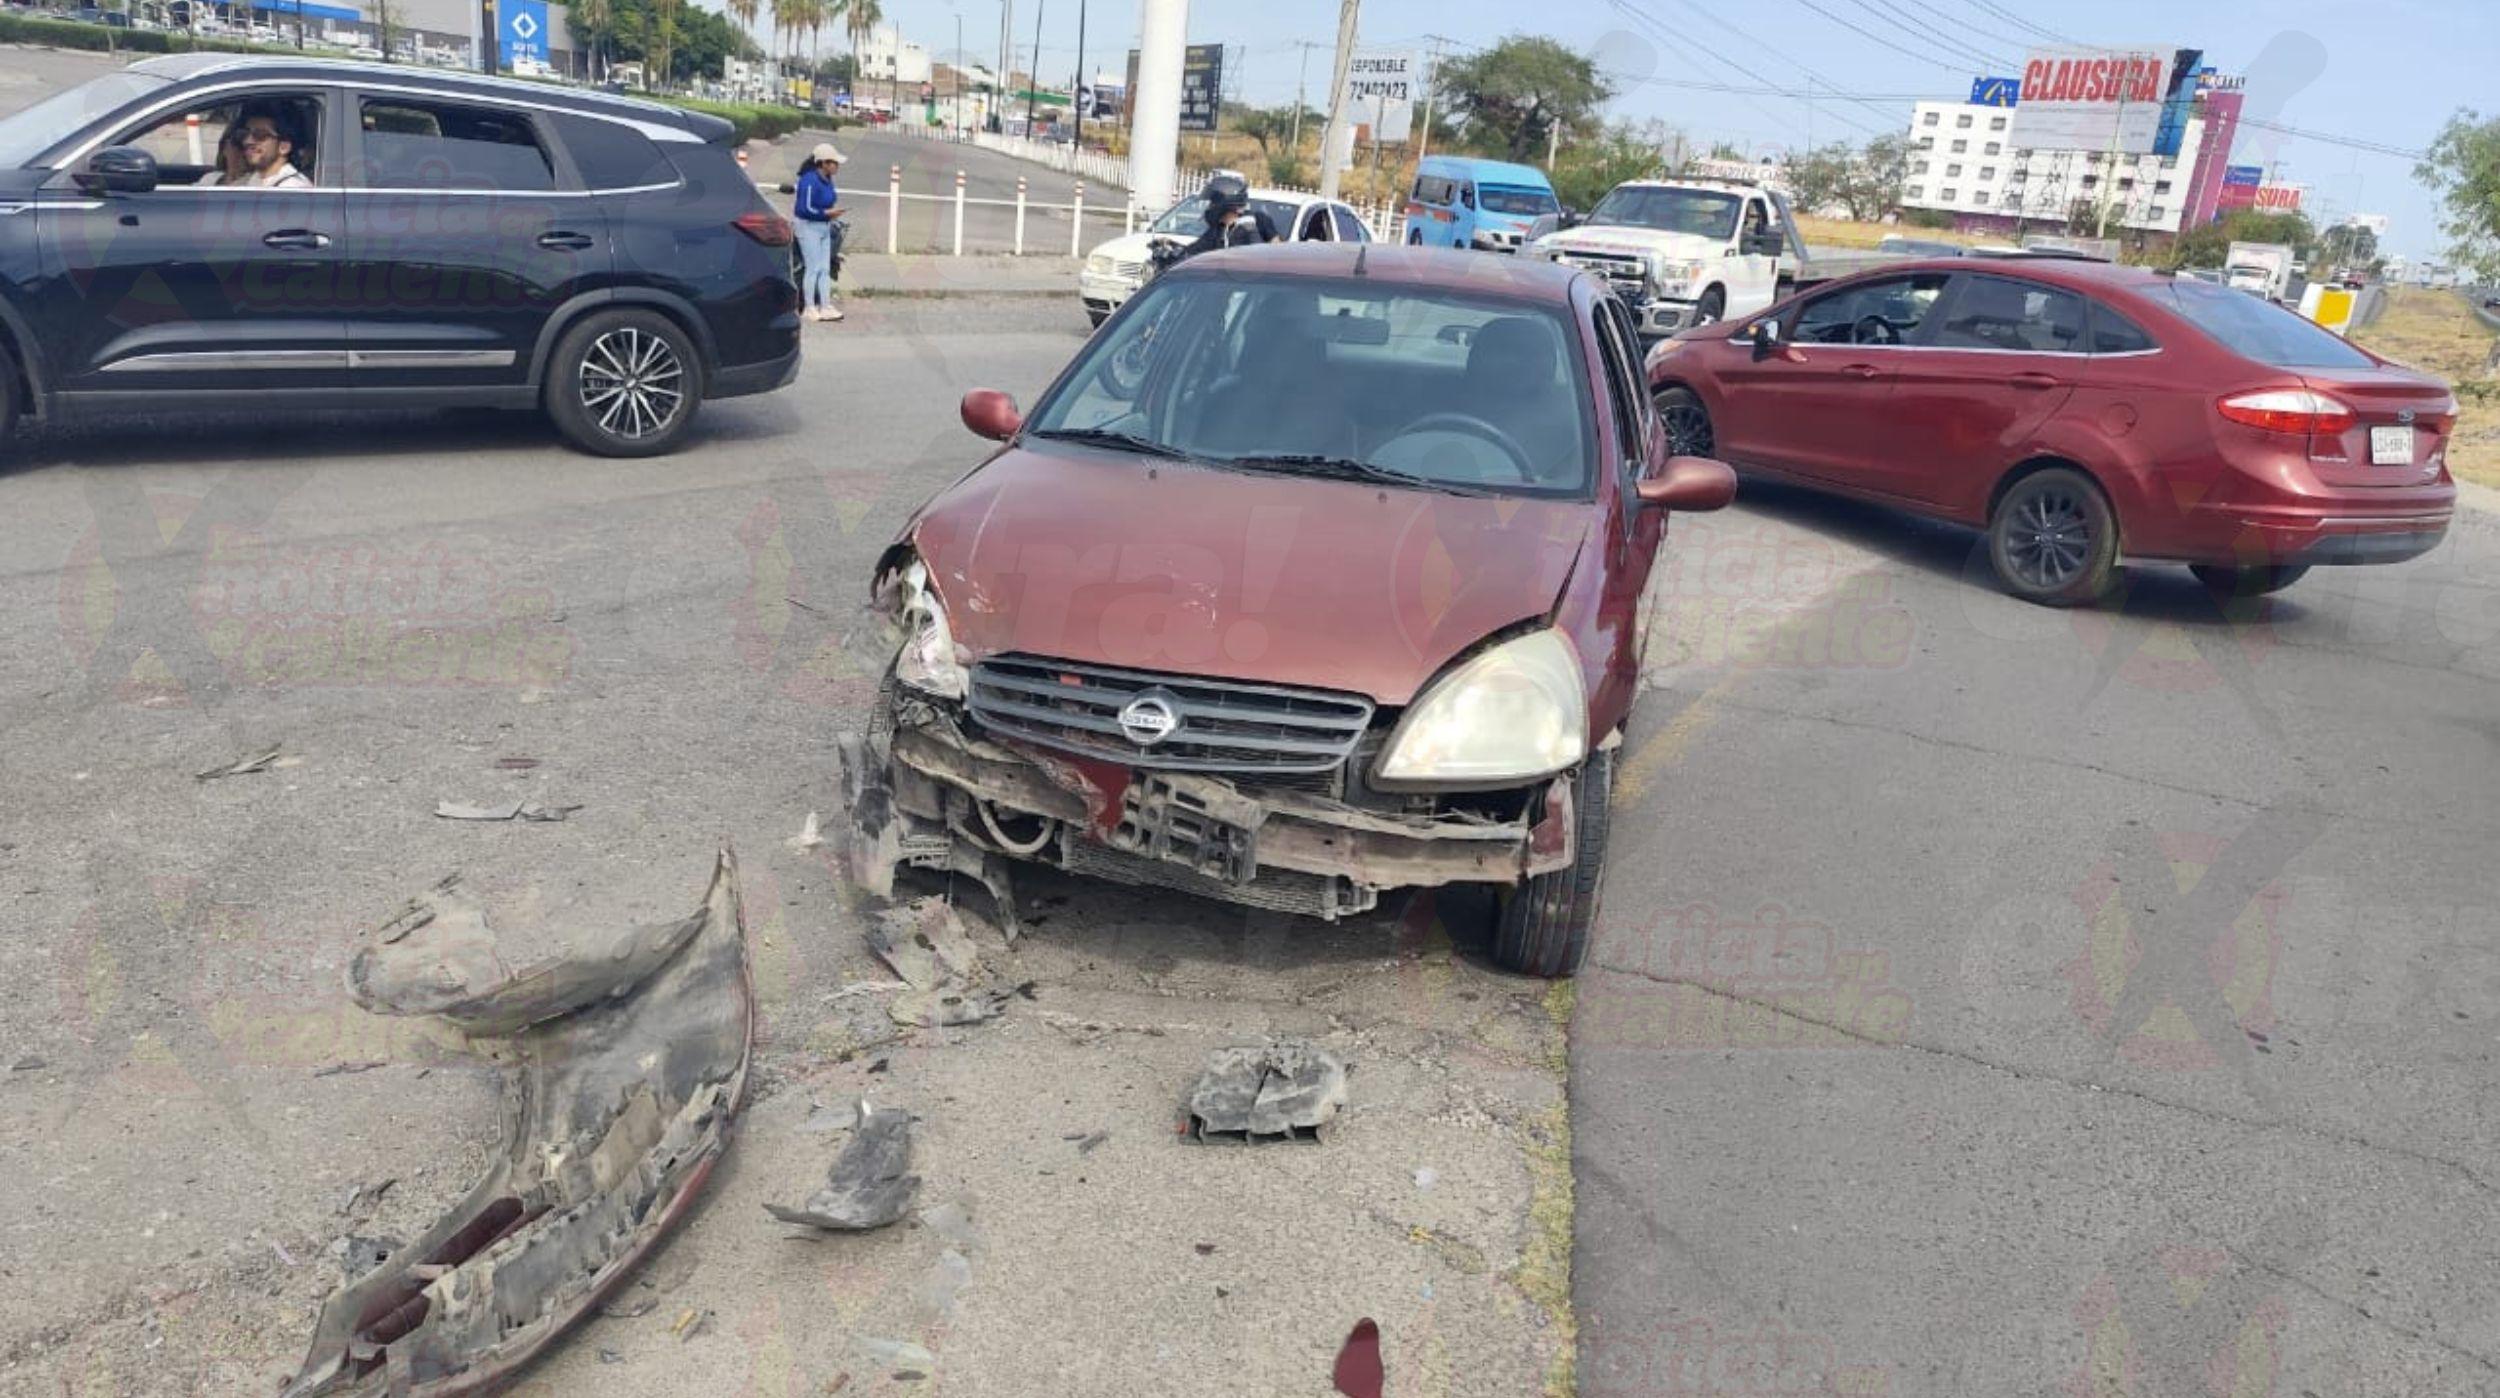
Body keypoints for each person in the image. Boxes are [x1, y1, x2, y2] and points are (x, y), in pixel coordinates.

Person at [792, 143, 847, 323]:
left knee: (824, 268)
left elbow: (829, 200)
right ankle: (809, 307)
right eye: (834, 162)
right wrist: (826, 213)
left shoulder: (828, 179)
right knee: (813, 268)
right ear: (823, 163)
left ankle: (825, 305)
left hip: (823, 226)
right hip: (808, 227)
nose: (837, 166)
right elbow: (804, 209)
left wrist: (830, 214)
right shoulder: (808, 180)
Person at [1173, 174, 1276, 262]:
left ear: (1223, 203)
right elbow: (1193, 251)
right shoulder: (1217, 231)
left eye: (1213, 203)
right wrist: (1173, 250)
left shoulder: (1258, 221)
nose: (1210, 207)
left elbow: (1277, 252)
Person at [203, 108, 309, 188]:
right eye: (244, 134)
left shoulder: (293, 188)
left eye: (260, 135)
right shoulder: (251, 179)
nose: (247, 141)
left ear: (284, 147)